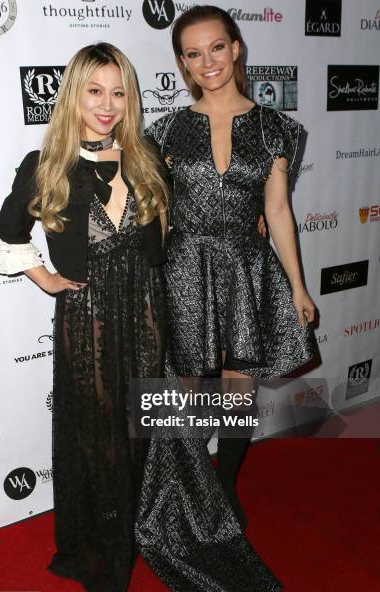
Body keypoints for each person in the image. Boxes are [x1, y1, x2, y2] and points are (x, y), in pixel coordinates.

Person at [0, 43, 168, 592]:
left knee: (136, 434)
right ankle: (102, 547)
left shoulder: (146, 158)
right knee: (96, 439)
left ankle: (133, 528)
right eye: (95, 90)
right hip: (86, 321)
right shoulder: (46, 166)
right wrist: (44, 277)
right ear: (73, 93)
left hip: (144, 317)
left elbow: (163, 247)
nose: (107, 104)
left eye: (118, 92)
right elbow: (6, 232)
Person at [145, 5, 317, 529]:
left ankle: (223, 488)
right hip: (184, 266)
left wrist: (298, 287)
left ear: (236, 48)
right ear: (182, 62)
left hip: (246, 266)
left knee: (239, 386)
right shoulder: (166, 129)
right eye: (193, 54)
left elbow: (279, 210)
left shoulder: (275, 128)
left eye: (216, 47)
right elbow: (156, 212)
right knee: (192, 386)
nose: (208, 61)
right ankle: (190, 482)